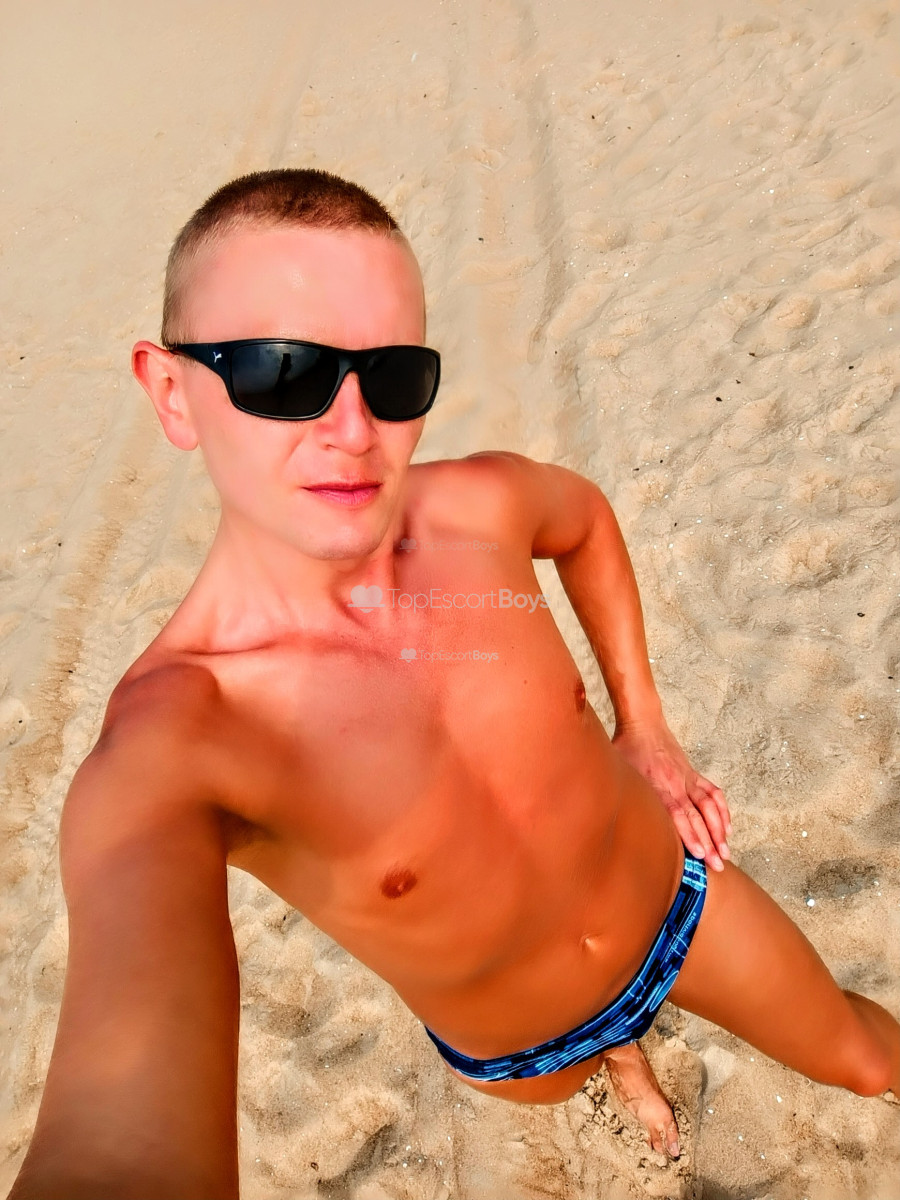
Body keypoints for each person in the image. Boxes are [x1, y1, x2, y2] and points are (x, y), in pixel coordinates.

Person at [8, 169, 898, 1200]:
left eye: (393, 377)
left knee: (864, 1061)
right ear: (172, 391)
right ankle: (621, 1057)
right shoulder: (177, 744)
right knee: (588, 1069)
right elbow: (120, 1119)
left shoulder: (476, 508)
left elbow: (584, 522)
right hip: (524, 1049)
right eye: (284, 372)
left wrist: (644, 725)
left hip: (676, 908)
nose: (353, 429)